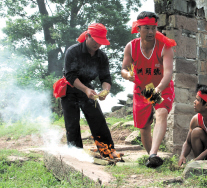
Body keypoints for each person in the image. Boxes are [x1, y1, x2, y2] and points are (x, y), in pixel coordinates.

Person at [121, 11, 176, 168]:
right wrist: (127, 75)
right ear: (138, 28)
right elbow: (124, 69)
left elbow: (168, 74)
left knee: (161, 112)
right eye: (146, 28)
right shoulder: (131, 47)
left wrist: (158, 89)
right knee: (144, 127)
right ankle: (152, 158)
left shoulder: (165, 46)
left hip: (160, 87)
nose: (151, 32)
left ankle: (153, 153)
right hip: (143, 89)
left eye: (153, 28)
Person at [61, 23, 121, 158]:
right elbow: (70, 76)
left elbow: (105, 77)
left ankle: (107, 152)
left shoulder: (102, 57)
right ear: (87, 36)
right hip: (69, 89)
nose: (98, 45)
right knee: (72, 124)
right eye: (95, 41)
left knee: (98, 120)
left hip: (88, 91)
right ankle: (76, 155)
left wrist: (105, 90)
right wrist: (85, 89)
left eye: (101, 42)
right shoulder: (73, 51)